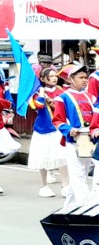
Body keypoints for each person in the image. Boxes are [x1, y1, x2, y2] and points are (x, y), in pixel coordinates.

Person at [55, 62, 99, 201]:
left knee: (83, 173)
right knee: (78, 175)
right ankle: (85, 205)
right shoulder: (62, 98)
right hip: (73, 141)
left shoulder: (90, 97)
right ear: (70, 79)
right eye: (81, 77)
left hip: (89, 139)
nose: (85, 80)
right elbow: (58, 120)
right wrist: (69, 130)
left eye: (86, 77)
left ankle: (68, 208)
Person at [27, 63, 64, 196]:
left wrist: (52, 101)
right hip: (43, 128)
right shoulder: (37, 93)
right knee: (42, 156)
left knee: (62, 156)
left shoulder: (60, 90)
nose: (54, 78)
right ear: (43, 79)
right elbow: (37, 106)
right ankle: (44, 186)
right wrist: (43, 95)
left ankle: (65, 185)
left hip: (58, 127)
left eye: (55, 76)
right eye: (51, 76)